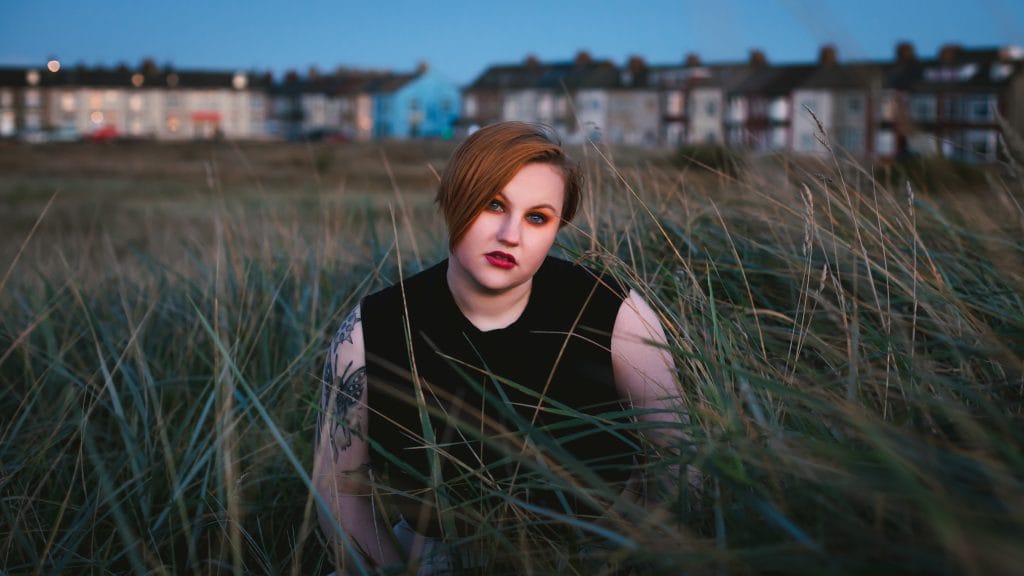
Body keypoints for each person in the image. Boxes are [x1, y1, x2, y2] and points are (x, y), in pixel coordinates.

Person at [313, 121, 685, 575]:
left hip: (595, 554)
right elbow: (338, 491)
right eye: (493, 204)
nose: (511, 234)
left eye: (537, 217)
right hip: (438, 558)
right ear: (456, 199)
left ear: (556, 227)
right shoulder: (371, 329)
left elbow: (676, 460)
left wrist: (633, 553)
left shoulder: (613, 312)